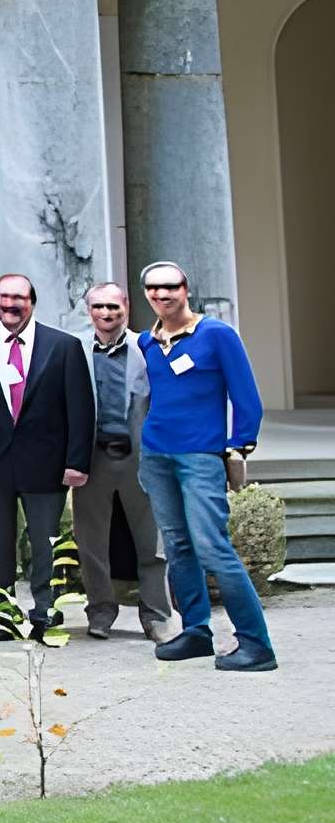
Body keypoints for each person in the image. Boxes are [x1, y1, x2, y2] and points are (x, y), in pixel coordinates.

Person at [134, 262, 275, 671]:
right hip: (157, 454)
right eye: (154, 289)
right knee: (177, 546)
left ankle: (256, 644)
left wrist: (238, 447)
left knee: (213, 547)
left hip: (200, 457)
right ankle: (196, 631)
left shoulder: (216, 334)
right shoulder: (149, 341)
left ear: (185, 289)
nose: (163, 295)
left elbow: (246, 396)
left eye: (170, 287)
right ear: (147, 295)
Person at [0, 273, 94, 643]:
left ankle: (44, 610)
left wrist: (77, 461)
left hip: (47, 462)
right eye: (3, 297)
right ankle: (3, 615)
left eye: (18, 297)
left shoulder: (63, 345)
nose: (10, 304)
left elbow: (80, 408)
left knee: (46, 540)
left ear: (32, 302)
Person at [71, 283, 171, 642]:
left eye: (113, 306)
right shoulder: (75, 350)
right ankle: (99, 611)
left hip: (138, 458)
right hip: (92, 459)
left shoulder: (147, 349)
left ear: (126, 307)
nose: (106, 313)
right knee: (91, 542)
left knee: (152, 542)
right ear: (89, 310)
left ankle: (157, 615)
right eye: (98, 306)